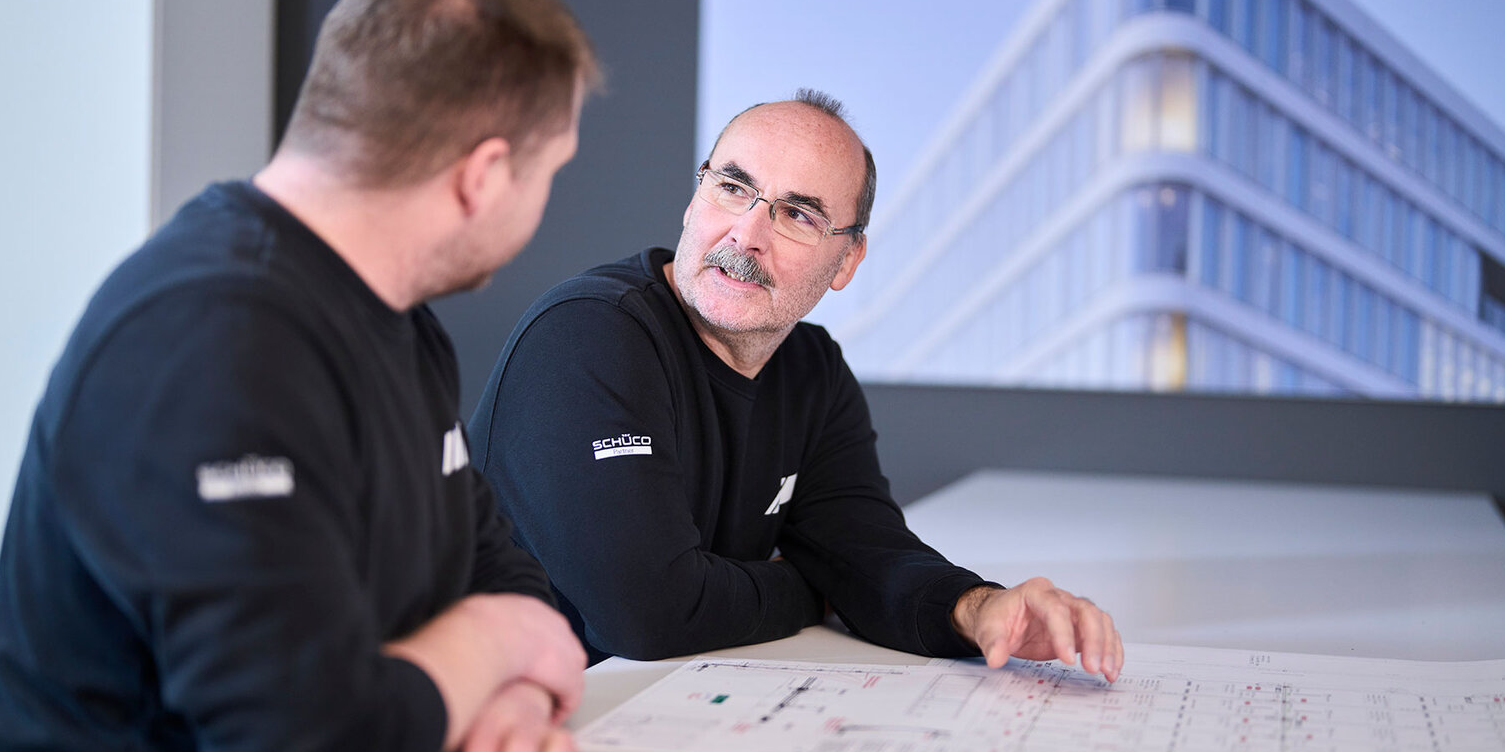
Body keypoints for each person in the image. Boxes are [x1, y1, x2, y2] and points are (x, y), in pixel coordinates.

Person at [0, 0, 602, 752]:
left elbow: (491, 561)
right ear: (482, 177)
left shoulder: (397, 320)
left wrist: (511, 695)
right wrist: (494, 640)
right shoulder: (213, 341)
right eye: (549, 172)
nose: (545, 203)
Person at [468, 90, 1124, 680]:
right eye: (732, 187)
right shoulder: (589, 334)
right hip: (497, 715)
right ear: (695, 198)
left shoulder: (811, 368)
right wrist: (820, 589)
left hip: (649, 706)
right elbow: (646, 612)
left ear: (847, 260)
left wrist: (979, 610)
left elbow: (864, 548)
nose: (747, 234)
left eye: (799, 215)